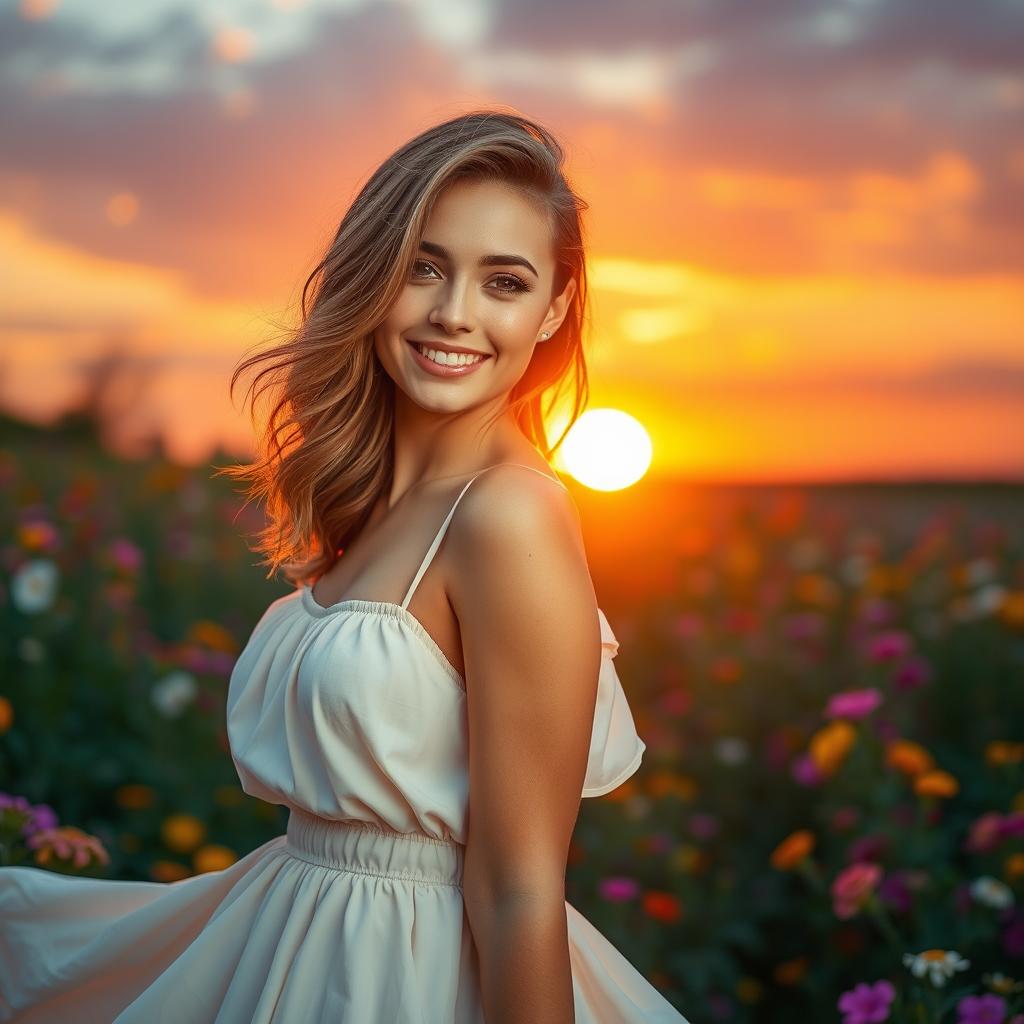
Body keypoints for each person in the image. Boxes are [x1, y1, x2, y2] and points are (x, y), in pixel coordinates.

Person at [0, 110, 689, 1022]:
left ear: (553, 308)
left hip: (404, 976)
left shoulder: (511, 515)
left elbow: (521, 885)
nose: (454, 314)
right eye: (425, 266)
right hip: (292, 939)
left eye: (505, 282)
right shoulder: (375, 507)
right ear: (376, 276)